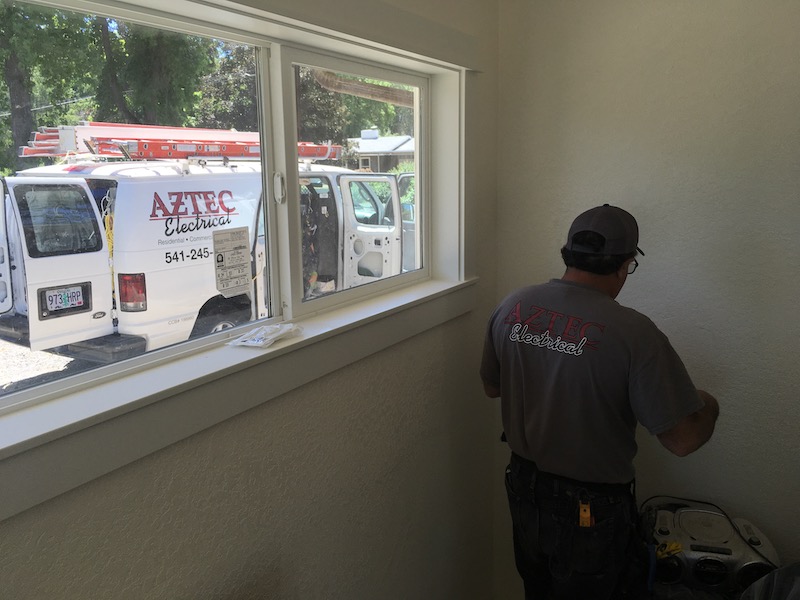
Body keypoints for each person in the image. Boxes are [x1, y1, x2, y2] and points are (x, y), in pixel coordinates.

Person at [480, 204, 720, 600]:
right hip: (590, 512)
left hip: (523, 491)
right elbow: (683, 439)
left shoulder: (513, 306)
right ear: (625, 266)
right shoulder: (634, 333)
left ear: (568, 253)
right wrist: (709, 404)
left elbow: (492, 387)